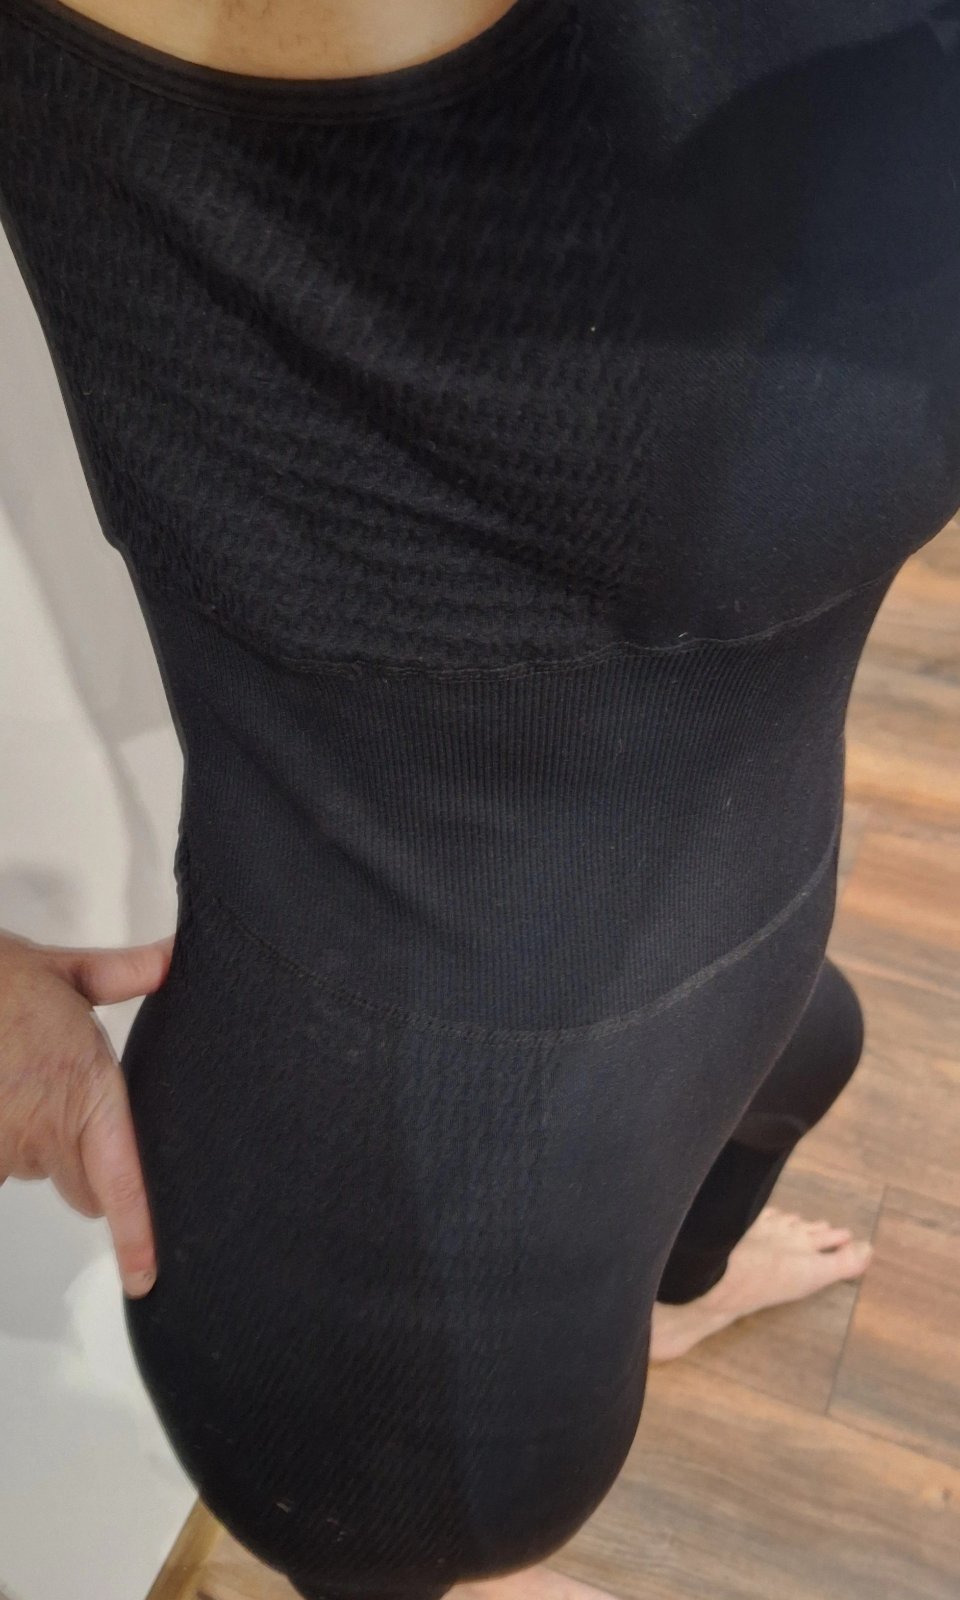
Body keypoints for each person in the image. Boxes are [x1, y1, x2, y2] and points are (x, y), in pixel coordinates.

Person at [1, 3, 957, 1599]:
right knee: (445, 1527)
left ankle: (666, 1300)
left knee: (797, 1076)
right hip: (402, 1233)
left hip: (752, 940)